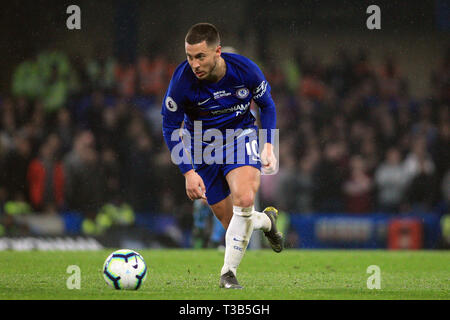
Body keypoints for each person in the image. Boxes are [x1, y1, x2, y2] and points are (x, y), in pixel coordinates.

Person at [161, 23, 283, 289]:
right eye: (189, 57)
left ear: (217, 51)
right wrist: (189, 172)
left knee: (245, 198)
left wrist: (269, 146)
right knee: (235, 224)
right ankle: (267, 221)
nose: (194, 64)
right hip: (203, 148)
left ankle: (228, 274)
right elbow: (170, 125)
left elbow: (267, 105)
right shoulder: (181, 81)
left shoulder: (245, 70)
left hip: (241, 137)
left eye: (200, 56)